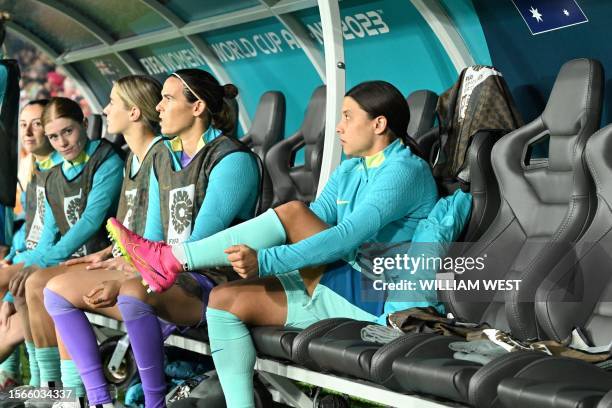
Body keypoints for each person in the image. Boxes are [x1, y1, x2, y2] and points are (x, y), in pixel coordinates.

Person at [107, 80, 449, 407]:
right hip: (337, 285)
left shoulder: (404, 170)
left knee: (293, 213)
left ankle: (172, 260)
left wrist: (267, 261)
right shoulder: (350, 170)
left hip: (376, 294)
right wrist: (271, 259)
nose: (339, 127)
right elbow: (318, 218)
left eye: (347, 116)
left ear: (379, 124)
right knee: (224, 301)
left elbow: (346, 237)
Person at [45, 69, 261, 408]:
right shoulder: (165, 157)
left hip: (214, 283)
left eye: (168, 98)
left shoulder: (232, 160)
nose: (157, 107)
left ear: (197, 107)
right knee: (56, 290)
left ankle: (153, 402)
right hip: (165, 274)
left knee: (131, 294)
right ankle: (100, 400)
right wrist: (127, 264)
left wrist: (128, 278)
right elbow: (152, 240)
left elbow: (197, 248)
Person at [3, 97, 124, 398]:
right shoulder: (54, 175)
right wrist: (32, 263)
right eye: (54, 136)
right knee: (20, 284)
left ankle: (64, 391)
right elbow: (47, 235)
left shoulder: (106, 160)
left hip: (96, 259)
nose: (62, 142)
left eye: (68, 132)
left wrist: (41, 263)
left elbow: (90, 222)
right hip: (68, 261)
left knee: (34, 282)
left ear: (84, 124)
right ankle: (44, 385)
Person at [0, 99, 61, 390]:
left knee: (10, 285)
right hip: (32, 252)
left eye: (37, 123)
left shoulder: (60, 168)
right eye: (23, 124)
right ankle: (11, 374)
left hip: (52, 258)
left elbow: (52, 237)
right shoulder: (34, 166)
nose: (28, 131)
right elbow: (30, 225)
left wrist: (9, 296)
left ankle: (32, 378)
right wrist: (14, 251)